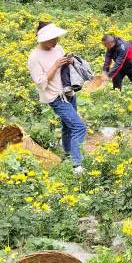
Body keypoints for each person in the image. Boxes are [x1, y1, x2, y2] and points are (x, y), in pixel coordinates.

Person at [27, 22, 88, 174]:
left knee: (68, 126)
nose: (56, 42)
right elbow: (40, 83)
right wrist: (55, 65)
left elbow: (65, 69)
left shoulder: (58, 48)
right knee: (79, 127)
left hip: (68, 92)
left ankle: (68, 153)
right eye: (53, 39)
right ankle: (77, 165)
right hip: (55, 97)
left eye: (57, 38)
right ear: (43, 39)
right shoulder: (34, 57)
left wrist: (69, 60)